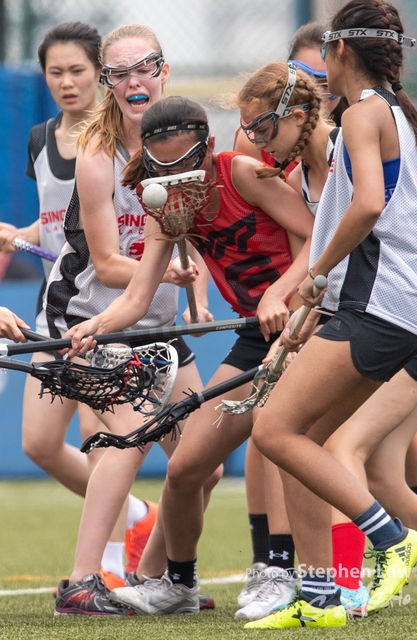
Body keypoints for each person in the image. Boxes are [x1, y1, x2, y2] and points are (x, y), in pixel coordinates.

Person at [63, 93, 315, 617]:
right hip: (257, 338)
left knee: (278, 440)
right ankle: (177, 585)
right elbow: (136, 298)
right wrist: (96, 327)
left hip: (304, 326)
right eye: (163, 169)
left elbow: (319, 237)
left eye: (186, 165)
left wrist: (280, 296)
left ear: (210, 145)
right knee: (186, 469)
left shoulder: (240, 173)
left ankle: (282, 573)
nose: (177, 180)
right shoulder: (165, 205)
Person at [238, 0, 417, 629]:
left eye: (324, 52)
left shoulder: (366, 113)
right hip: (388, 303)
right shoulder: (387, 111)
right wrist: (316, 298)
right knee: (303, 441)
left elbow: (369, 206)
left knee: (273, 431)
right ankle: (319, 596)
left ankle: (391, 537)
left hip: (381, 305)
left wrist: (314, 276)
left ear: (340, 50)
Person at [42, 25, 220, 616]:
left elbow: (192, 241)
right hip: (94, 319)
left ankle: (155, 581)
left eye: (144, 67)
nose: (133, 81)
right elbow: (107, 264)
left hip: (159, 327)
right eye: (119, 73)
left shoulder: (184, 140)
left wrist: (196, 296)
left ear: (164, 71)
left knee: (204, 465)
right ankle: (80, 582)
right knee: (128, 437)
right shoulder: (96, 154)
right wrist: (167, 275)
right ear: (108, 82)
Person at [0, 22, 152, 589]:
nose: (66, 82)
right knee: (39, 444)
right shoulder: (41, 138)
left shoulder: (117, 140)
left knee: (99, 436)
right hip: (55, 305)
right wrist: (17, 235)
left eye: (77, 71)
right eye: (54, 72)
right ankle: (138, 516)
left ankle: (105, 570)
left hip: (105, 307)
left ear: (101, 75)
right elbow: (58, 223)